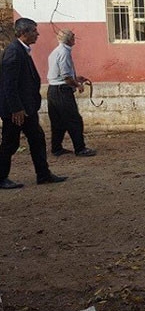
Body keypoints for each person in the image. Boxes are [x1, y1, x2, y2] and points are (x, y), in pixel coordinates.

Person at [0, 18, 68, 189]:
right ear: (24, 33)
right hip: (17, 110)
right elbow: (9, 84)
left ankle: (43, 174)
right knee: (10, 143)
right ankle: (1, 177)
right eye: (34, 31)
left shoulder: (22, 50)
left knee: (37, 140)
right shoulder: (14, 52)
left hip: (27, 108)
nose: (37, 34)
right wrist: (16, 109)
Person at [47, 29, 96, 157]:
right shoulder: (64, 52)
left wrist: (76, 78)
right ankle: (80, 148)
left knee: (58, 121)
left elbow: (60, 74)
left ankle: (56, 148)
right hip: (62, 90)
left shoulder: (56, 51)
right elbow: (65, 77)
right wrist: (77, 84)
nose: (75, 39)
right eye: (73, 37)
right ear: (69, 39)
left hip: (53, 89)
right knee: (74, 120)